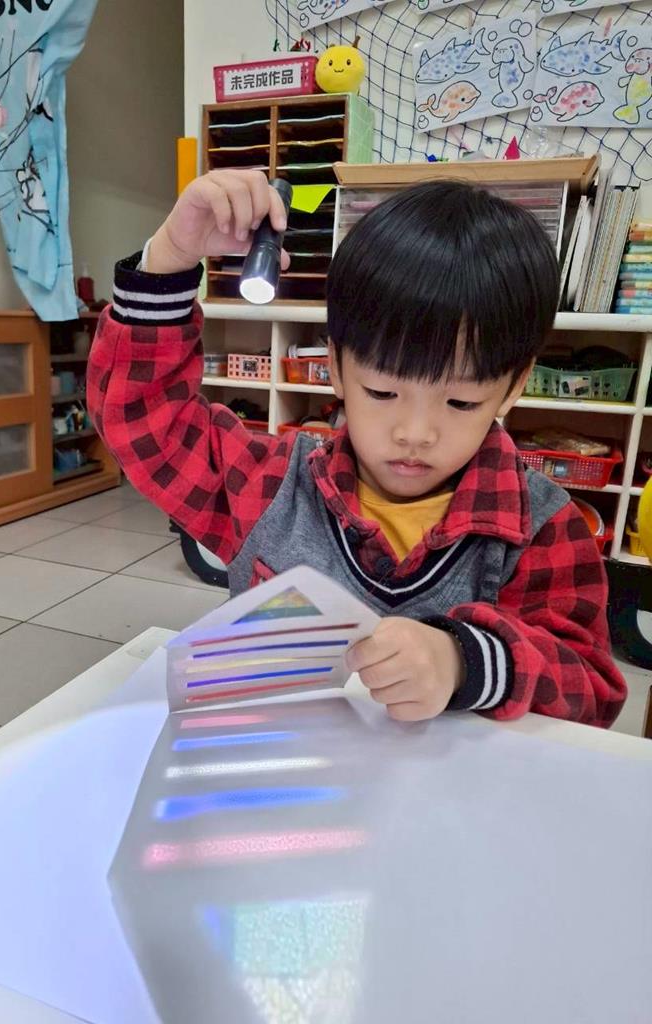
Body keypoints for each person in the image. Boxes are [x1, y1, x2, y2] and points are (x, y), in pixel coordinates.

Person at [87, 170, 626, 727]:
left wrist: (463, 661)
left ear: (513, 386)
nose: (415, 432)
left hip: (439, 782)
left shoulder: (543, 529)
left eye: (461, 402)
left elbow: (591, 691)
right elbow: (143, 422)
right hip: (275, 764)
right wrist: (170, 258)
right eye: (383, 393)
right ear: (337, 368)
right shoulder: (270, 486)